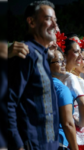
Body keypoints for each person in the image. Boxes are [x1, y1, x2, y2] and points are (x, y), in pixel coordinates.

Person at [8, 1, 59, 150]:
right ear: (31, 21)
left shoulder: (42, 55)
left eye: (55, 20)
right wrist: (18, 144)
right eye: (48, 19)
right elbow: (8, 102)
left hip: (49, 144)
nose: (54, 26)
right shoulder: (25, 53)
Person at [49, 48, 78, 150]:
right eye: (58, 61)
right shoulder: (61, 89)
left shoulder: (37, 84)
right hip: (58, 143)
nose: (63, 64)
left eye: (63, 61)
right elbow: (68, 124)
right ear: (47, 65)